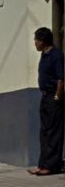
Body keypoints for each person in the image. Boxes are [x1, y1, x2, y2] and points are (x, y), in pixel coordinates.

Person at [28, 27, 64, 176]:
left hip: (53, 97)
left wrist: (57, 97)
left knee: (53, 133)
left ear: (43, 41)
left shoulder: (56, 55)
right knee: (44, 132)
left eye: (36, 40)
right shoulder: (44, 55)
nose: (34, 43)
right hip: (45, 97)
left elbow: (61, 80)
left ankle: (50, 166)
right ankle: (42, 164)